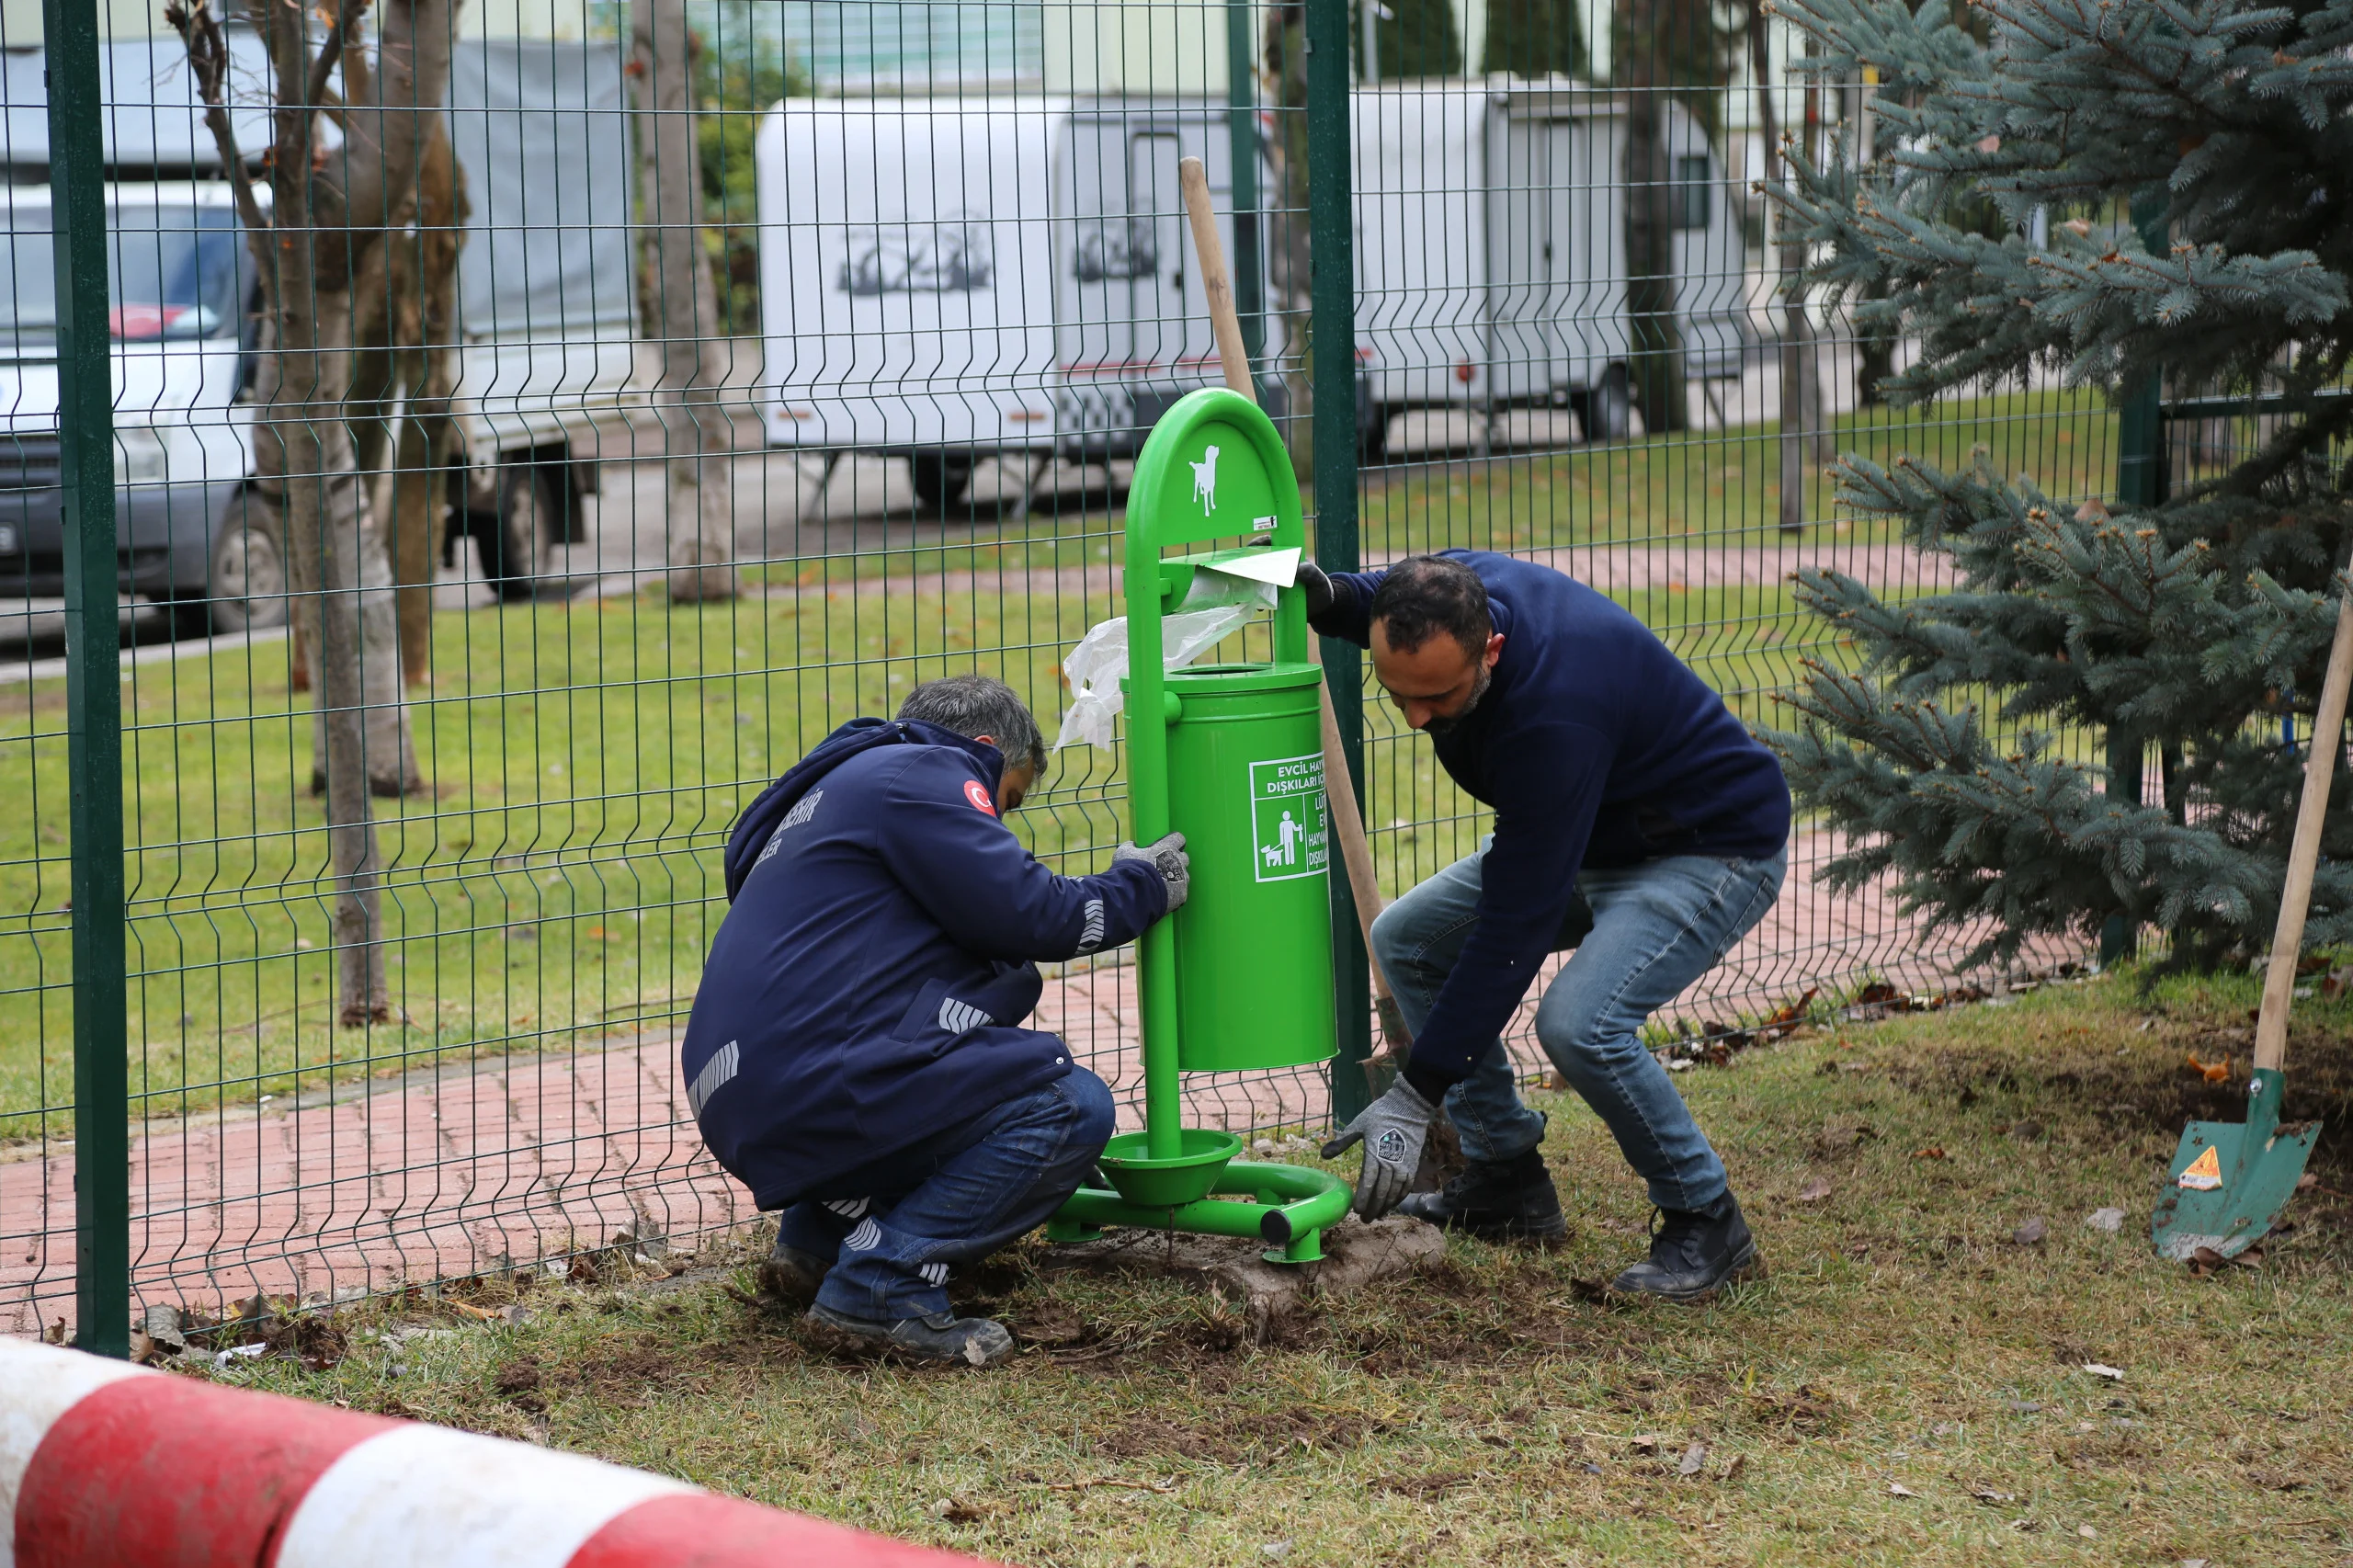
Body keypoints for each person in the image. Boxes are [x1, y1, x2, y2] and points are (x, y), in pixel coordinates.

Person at [1306, 551, 1790, 1301]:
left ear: (1490, 649)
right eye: (1396, 693)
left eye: (1438, 695)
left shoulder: (1553, 713)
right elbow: (1377, 593)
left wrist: (1416, 1093)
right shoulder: (1456, 587)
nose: (1415, 717)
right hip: (1592, 835)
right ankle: (1507, 1182)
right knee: (1407, 937)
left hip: (1706, 847)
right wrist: (1329, 594)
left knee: (1581, 1024)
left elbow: (1513, 927)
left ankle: (1707, 1219)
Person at [678, 675, 1188, 1364]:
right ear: (983, 750)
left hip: (739, 1088)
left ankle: (820, 1242)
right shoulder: (925, 770)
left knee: (979, 1032)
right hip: (811, 1078)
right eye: (1005, 801)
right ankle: (882, 1284)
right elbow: (1029, 911)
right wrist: (1143, 886)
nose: (997, 822)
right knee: (1066, 1106)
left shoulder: (839, 788)